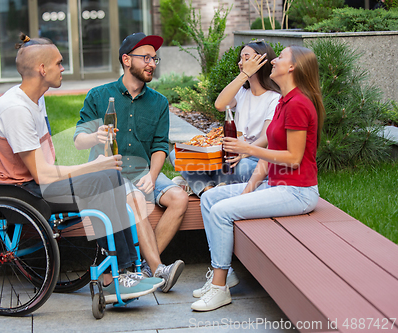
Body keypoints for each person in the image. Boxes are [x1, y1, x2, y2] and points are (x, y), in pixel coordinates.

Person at [0, 33, 162, 303]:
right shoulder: (15, 109)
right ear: (42, 69)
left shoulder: (36, 98)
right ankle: (117, 275)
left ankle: (121, 271)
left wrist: (96, 168)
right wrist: (91, 166)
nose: (63, 68)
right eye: (59, 63)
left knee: (109, 176)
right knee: (102, 178)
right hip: (23, 191)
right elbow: (43, 174)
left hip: (39, 183)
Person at [191, 45, 325, 312]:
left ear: (293, 67)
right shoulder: (284, 100)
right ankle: (225, 272)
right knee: (210, 198)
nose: (273, 61)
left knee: (220, 212)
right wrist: (248, 190)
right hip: (275, 185)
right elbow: (269, 156)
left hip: (297, 191)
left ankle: (219, 288)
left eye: (281, 57)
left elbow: (294, 157)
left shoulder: (298, 104)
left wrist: (247, 149)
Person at [74, 32, 188, 293]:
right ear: (127, 60)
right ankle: (159, 268)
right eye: (145, 57)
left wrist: (152, 174)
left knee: (179, 198)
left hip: (142, 171)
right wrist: (95, 136)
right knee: (135, 198)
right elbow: (79, 139)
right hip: (109, 174)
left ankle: (146, 270)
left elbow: (160, 146)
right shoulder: (99, 96)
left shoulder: (158, 102)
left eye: (154, 58)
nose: (152, 63)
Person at [169, 40, 281, 197]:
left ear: (261, 61)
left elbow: (266, 137)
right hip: (229, 156)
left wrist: (243, 153)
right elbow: (220, 105)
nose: (241, 63)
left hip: (252, 159)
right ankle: (209, 189)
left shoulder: (275, 98)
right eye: (240, 59)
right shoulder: (242, 92)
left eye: (247, 58)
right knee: (177, 154)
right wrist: (244, 76)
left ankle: (197, 182)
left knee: (241, 167)